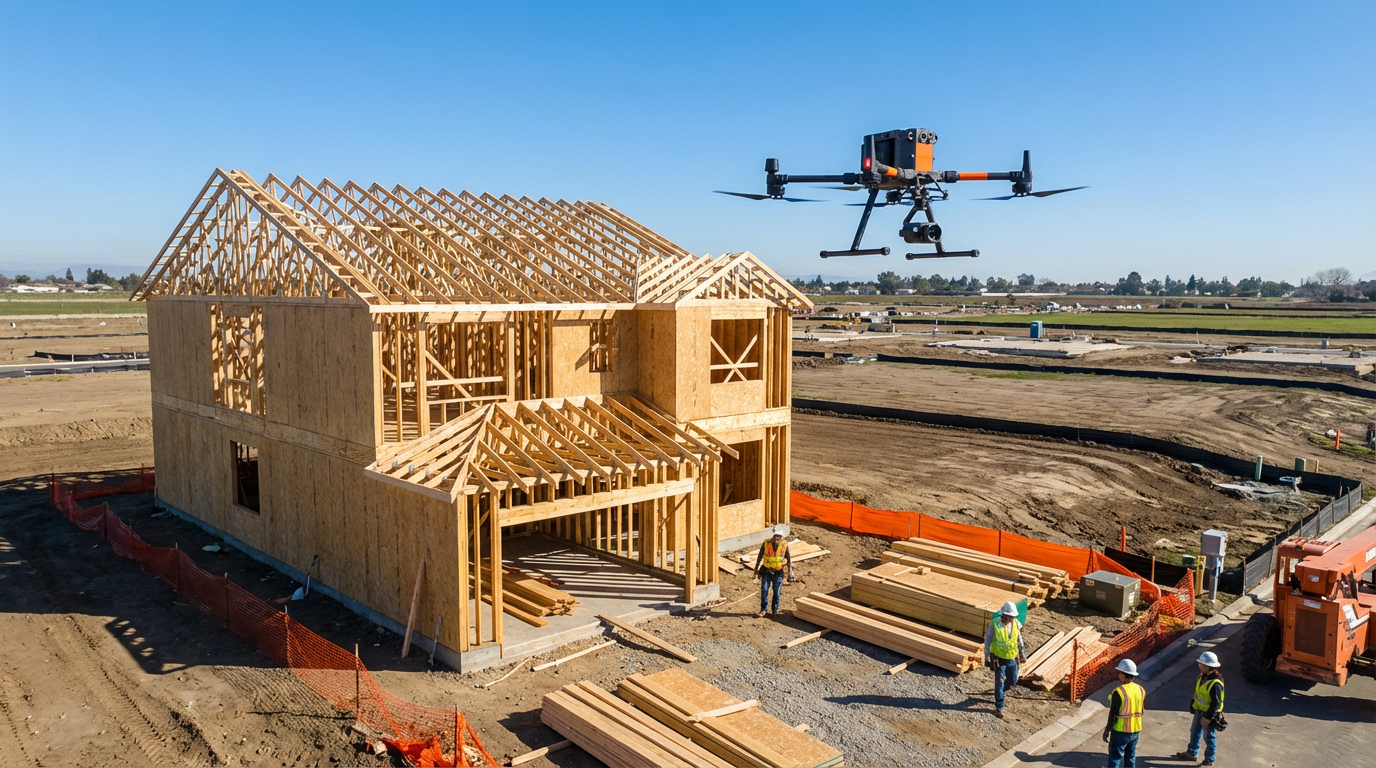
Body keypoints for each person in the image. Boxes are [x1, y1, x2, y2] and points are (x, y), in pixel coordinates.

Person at [1176, 651, 1224, 766]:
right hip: (1199, 710)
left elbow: (1216, 703)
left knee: (1209, 736)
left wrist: (1208, 717)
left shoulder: (1216, 683)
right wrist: (1193, 704)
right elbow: (1198, 692)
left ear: (1209, 666)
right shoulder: (1202, 676)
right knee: (1195, 731)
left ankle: (1209, 759)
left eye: (1202, 664)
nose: (1199, 665)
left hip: (1209, 714)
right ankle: (1192, 753)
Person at [983, 602, 1026, 718]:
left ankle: (1000, 692)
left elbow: (1019, 639)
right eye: (1008, 617)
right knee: (999, 682)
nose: (1010, 619)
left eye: (1012, 617)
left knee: (1013, 680)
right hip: (999, 659)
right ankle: (999, 706)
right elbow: (988, 639)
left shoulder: (1016, 623)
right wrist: (985, 655)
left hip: (1012, 658)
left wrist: (1022, 654)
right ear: (1003, 614)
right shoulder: (995, 624)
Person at [1102, 659, 1145, 768]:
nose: (1118, 676)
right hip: (1136, 730)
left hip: (1121, 731)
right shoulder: (1140, 689)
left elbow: (1113, 714)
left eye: (1120, 673)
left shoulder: (1119, 691)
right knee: (1130, 757)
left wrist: (1107, 730)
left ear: (1123, 675)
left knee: (1115, 757)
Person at [753, 527, 793, 617]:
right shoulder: (766, 543)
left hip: (778, 572)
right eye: (776, 536)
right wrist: (756, 569)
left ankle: (775, 610)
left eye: (779, 536)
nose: (777, 538)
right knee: (764, 590)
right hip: (766, 571)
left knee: (777, 592)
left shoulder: (784, 545)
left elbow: (789, 559)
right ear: (773, 536)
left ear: (782, 537)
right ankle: (763, 609)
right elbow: (760, 556)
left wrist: (790, 571)